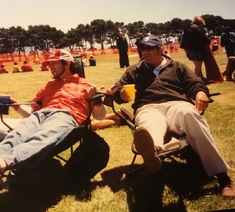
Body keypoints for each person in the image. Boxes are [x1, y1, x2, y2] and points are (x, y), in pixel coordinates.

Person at [111, 35, 235, 198]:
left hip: (176, 104)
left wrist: (200, 92)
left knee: (190, 114)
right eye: (142, 48)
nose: (144, 52)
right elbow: (116, 90)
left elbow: (196, 83)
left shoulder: (177, 67)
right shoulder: (134, 70)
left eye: (149, 48)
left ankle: (223, 177)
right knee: (148, 125)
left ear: (160, 49)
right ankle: (153, 151)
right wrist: (120, 94)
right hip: (148, 107)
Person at [0, 49, 107, 179]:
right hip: (40, 115)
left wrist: (97, 101)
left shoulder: (86, 85)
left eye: (54, 63)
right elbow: (32, 112)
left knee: (41, 136)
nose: (49, 67)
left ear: (67, 64)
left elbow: (99, 116)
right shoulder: (48, 86)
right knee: (17, 134)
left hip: (65, 116)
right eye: (49, 64)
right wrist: (16, 106)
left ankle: (5, 161)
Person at [180, 16, 210, 81]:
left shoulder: (188, 28)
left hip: (188, 49)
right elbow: (205, 40)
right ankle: (198, 80)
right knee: (198, 66)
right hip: (196, 50)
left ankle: (201, 77)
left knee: (198, 65)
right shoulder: (199, 29)